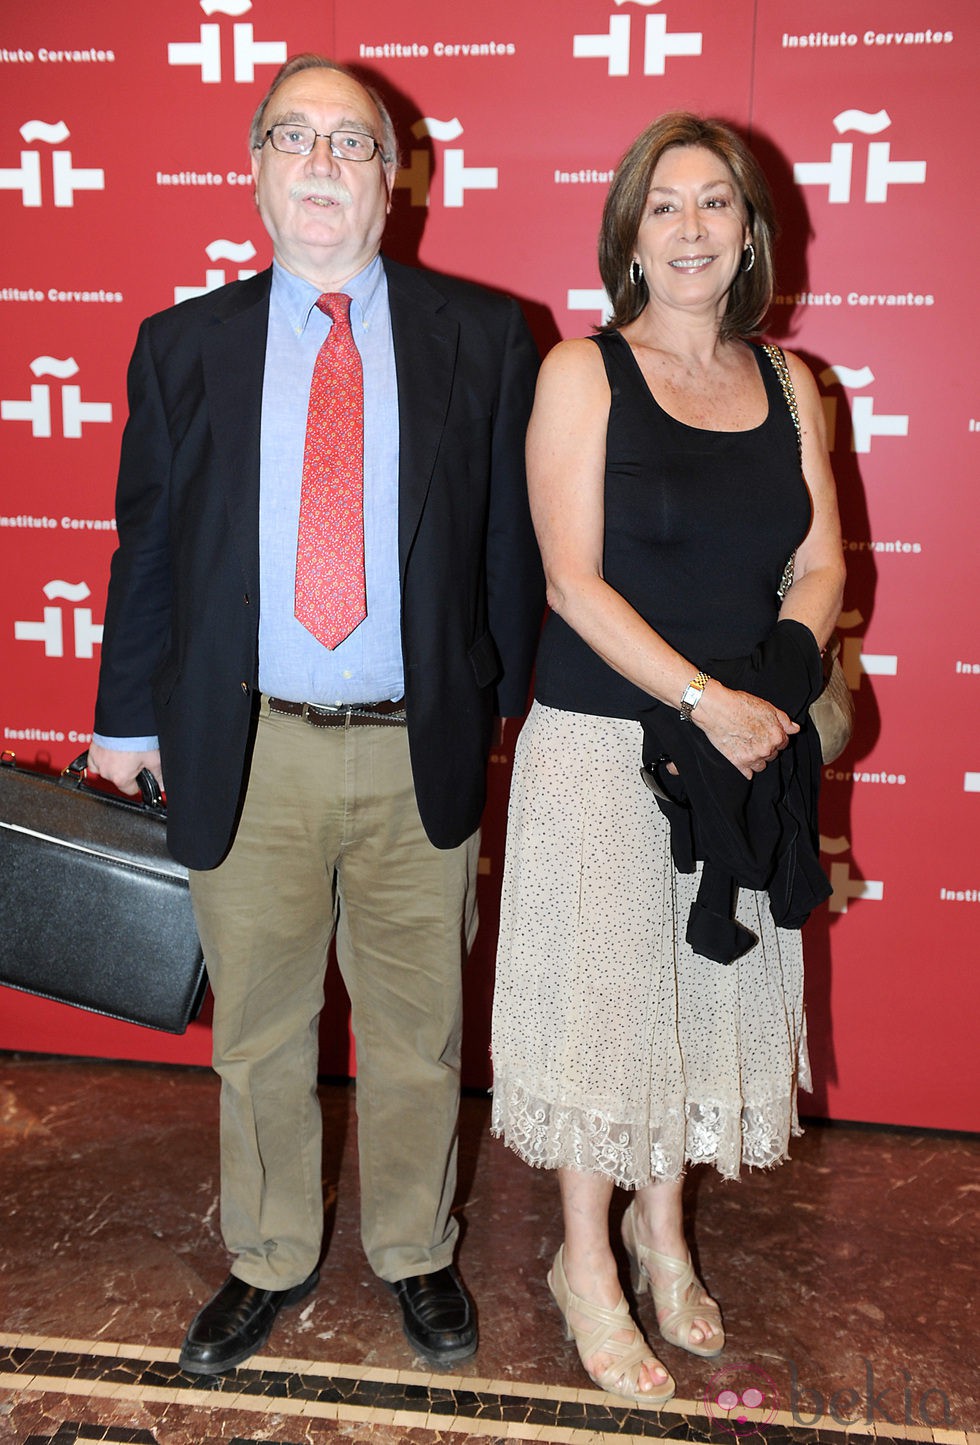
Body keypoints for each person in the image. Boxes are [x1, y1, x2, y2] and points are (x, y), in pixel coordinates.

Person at [87, 53, 543, 1375]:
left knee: (417, 1030)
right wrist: (125, 724)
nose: (324, 165)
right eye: (296, 138)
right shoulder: (184, 347)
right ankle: (270, 1254)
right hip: (250, 743)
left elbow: (506, 555)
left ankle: (414, 1250)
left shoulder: (485, 335)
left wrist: (501, 716)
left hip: (419, 748)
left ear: (394, 180)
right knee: (261, 1030)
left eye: (355, 143)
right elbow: (151, 554)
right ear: (254, 170)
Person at [490, 112, 845, 1405]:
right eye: (664, 206)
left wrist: (772, 692)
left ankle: (663, 1229)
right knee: (606, 1017)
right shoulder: (584, 377)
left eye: (715, 205)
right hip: (607, 746)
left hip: (741, 746)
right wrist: (707, 696)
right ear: (629, 236)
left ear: (748, 232)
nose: (691, 228)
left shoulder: (790, 385)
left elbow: (823, 565)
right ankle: (586, 1264)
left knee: (689, 1005)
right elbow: (573, 585)